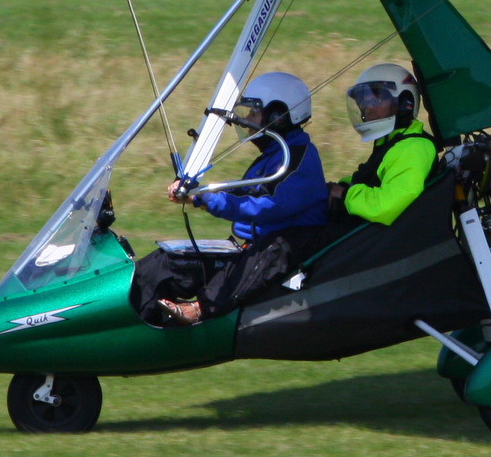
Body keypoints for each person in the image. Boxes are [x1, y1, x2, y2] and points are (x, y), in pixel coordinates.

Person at [129, 71, 327, 327]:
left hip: (281, 252)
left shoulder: (299, 159)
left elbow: (269, 205)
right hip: (252, 247)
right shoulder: (274, 156)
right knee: (165, 263)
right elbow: (244, 193)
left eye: (253, 113)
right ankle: (128, 325)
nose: (246, 121)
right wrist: (198, 194)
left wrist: (209, 201)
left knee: (272, 250)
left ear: (278, 117)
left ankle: (200, 308)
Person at [328, 63, 437, 226]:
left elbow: (385, 207)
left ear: (404, 102)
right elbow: (374, 179)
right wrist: (342, 185)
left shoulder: (415, 148)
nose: (368, 109)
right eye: (364, 102)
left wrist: (345, 194)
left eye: (376, 100)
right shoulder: (391, 142)